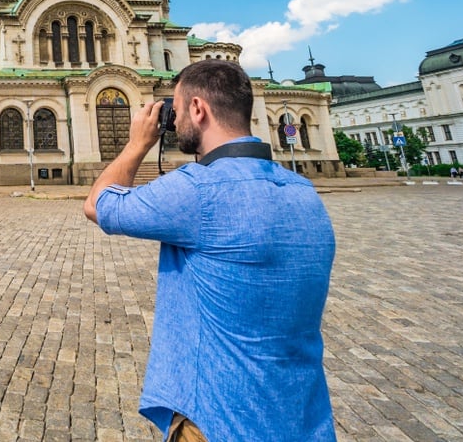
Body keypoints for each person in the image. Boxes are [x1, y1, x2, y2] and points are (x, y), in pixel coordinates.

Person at [84, 60, 336, 441]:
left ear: (198, 109)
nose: (174, 119)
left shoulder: (197, 190)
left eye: (178, 109)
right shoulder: (305, 193)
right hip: (303, 421)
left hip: (219, 422)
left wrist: (137, 143)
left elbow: (99, 204)